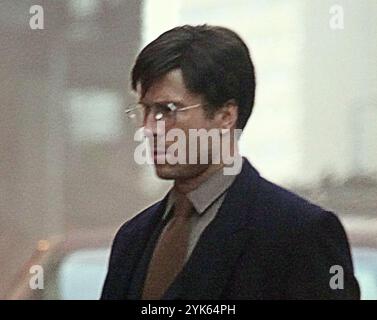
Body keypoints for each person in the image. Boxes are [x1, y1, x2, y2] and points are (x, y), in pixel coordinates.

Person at [101, 25, 360, 300]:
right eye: (146, 110)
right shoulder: (133, 238)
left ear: (225, 117)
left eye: (168, 111)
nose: (149, 128)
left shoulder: (298, 234)